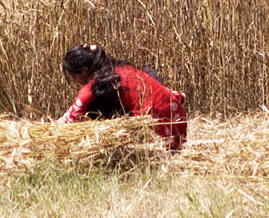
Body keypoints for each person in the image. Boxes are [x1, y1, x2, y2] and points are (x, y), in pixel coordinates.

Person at [56, 44, 187, 151]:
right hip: (176, 115)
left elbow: (70, 118)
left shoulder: (92, 86)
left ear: (84, 72)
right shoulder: (119, 69)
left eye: (74, 77)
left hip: (159, 126)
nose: (74, 81)